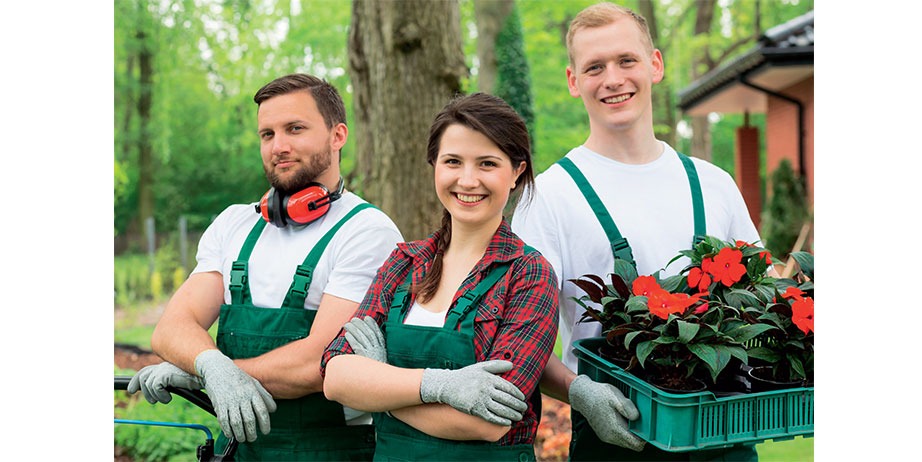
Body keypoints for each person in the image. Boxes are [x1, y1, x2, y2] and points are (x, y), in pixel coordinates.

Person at [511, 3, 764, 461]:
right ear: (573, 81)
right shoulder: (547, 197)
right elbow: (522, 340)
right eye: (595, 67)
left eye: (626, 60)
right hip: (617, 439)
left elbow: (761, 305)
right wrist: (580, 392)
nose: (613, 79)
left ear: (655, 64)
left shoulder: (713, 184)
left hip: (725, 433)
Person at [126, 73, 404, 461]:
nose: (279, 146)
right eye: (267, 134)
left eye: (295, 129)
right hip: (237, 451)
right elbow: (172, 327)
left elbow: (321, 361)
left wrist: (204, 374)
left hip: (326, 452)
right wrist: (210, 365)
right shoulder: (234, 224)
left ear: (338, 135)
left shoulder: (366, 231)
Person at [320, 92, 559, 461]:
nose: (467, 179)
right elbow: (336, 378)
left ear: (517, 172)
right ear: (434, 165)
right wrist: (440, 386)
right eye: (452, 161)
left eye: (487, 164)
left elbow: (490, 422)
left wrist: (381, 384)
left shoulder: (529, 275)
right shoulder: (403, 264)